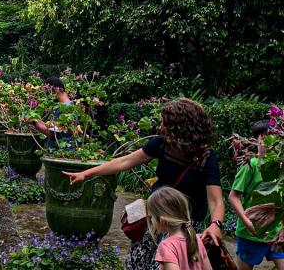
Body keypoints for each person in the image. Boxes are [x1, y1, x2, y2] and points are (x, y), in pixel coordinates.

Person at [63, 98, 225, 270]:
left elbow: (216, 201)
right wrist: (85, 174)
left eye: (165, 121)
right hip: (156, 219)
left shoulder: (206, 158)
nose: (161, 125)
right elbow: (124, 162)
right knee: (138, 263)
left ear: (179, 126)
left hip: (182, 226)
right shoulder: (162, 143)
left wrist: (216, 225)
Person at [228, 120, 284, 270]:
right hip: (250, 234)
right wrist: (248, 223)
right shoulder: (250, 166)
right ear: (256, 140)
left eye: (274, 139)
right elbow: (233, 197)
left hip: (276, 234)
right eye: (264, 138)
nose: (270, 143)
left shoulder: (281, 168)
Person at [147, 187, 213, 270]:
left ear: (162, 220)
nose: (151, 220)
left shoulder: (167, 246)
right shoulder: (196, 239)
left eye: (151, 217)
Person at [29, 76, 73, 149]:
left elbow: (51, 133)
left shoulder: (64, 108)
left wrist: (34, 122)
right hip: (61, 151)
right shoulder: (67, 105)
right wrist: (35, 120)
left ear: (57, 89)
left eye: (48, 91)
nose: (48, 95)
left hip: (61, 151)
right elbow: (51, 127)